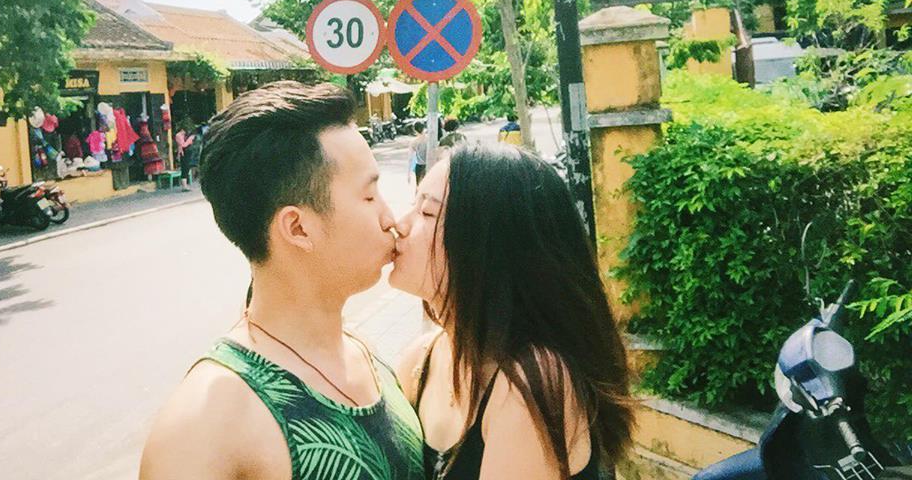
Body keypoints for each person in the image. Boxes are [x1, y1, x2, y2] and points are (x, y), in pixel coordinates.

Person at [139, 81, 424, 480]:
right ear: (298, 228)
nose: (390, 218)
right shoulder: (207, 423)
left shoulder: (363, 353)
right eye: (369, 196)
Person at [390, 143, 634, 480]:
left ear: (487, 247)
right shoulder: (421, 360)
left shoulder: (531, 382)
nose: (399, 224)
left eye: (427, 213)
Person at [408, 121, 428, 186]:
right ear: (423, 128)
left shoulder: (413, 142)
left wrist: (409, 174)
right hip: (429, 165)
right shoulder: (429, 139)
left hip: (419, 167)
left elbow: (410, 158)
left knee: (419, 187)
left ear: (414, 129)